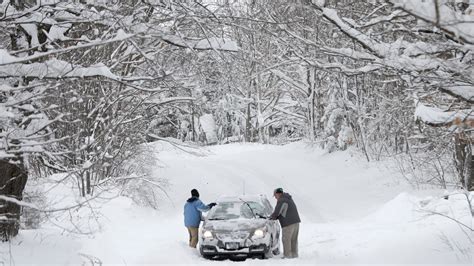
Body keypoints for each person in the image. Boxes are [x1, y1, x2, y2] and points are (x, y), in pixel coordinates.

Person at [270, 187, 301, 259]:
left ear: (278, 194)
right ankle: (294, 254)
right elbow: (283, 211)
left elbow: (277, 212)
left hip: (288, 223)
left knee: (286, 239)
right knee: (293, 239)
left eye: (275, 196)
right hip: (296, 222)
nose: (275, 197)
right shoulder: (288, 198)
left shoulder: (282, 200)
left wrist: (271, 217)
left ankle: (287, 256)